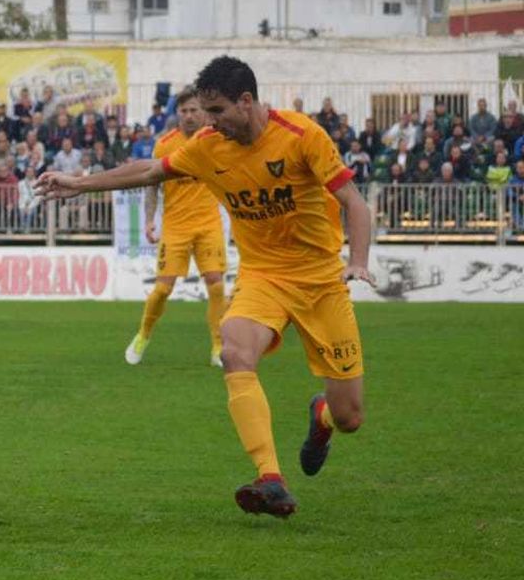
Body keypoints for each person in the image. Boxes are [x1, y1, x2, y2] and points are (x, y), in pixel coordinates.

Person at [38, 56, 374, 520]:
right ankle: (270, 478)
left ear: (246, 101)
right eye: (204, 112)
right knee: (236, 353)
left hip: (321, 281)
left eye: (216, 112)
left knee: (349, 417)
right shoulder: (209, 146)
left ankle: (322, 419)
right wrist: (80, 182)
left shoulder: (302, 136)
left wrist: (357, 261)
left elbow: (354, 203)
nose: (209, 123)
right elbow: (148, 171)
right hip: (263, 277)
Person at [126, 89, 228, 368]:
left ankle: (219, 347)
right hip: (175, 226)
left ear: (203, 111)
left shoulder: (215, 139)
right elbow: (152, 185)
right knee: (162, 289)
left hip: (208, 223)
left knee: (217, 286)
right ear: (177, 114)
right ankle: (143, 335)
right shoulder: (165, 145)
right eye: (184, 111)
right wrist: (149, 220)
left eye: (194, 110)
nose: (190, 116)